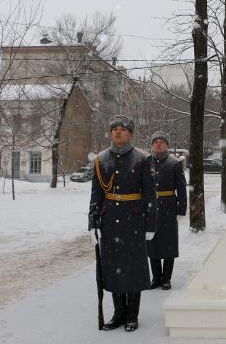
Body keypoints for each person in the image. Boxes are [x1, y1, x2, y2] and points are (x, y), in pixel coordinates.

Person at [88, 115, 156, 332]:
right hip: (109, 222)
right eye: (114, 128)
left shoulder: (142, 159)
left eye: (123, 129)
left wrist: (151, 226)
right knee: (114, 268)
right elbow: (96, 195)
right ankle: (118, 313)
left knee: (133, 268)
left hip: (134, 221)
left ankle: (132, 315)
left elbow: (150, 195)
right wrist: (93, 223)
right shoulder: (101, 160)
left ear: (131, 134)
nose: (118, 132)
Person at [147, 131, 187, 290]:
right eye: (155, 141)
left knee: (168, 244)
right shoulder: (145, 163)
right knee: (151, 243)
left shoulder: (174, 164)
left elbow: (182, 189)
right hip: (150, 208)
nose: (158, 144)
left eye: (162, 141)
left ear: (167, 145)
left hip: (168, 207)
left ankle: (166, 278)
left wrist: (181, 209)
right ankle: (156, 278)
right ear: (152, 145)